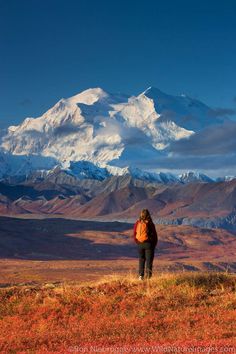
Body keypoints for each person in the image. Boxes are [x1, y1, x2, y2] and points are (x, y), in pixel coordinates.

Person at [133, 209, 158, 280]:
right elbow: (154, 235)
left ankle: (141, 276)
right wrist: (153, 245)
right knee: (149, 261)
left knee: (141, 260)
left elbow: (134, 234)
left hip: (140, 244)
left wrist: (137, 242)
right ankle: (148, 277)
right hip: (148, 244)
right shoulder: (150, 223)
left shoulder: (137, 223)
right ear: (148, 214)